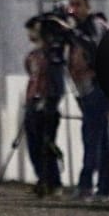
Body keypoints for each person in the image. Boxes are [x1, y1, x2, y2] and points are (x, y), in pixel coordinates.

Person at [51, 0, 109, 200]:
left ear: (88, 6)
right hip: (85, 90)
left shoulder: (94, 25)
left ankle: (86, 184)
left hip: (98, 88)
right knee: (102, 139)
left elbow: (94, 47)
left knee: (91, 136)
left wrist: (72, 32)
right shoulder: (77, 28)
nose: (74, 10)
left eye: (78, 5)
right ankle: (105, 188)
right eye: (72, 5)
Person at [23, 15, 65, 197]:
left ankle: (53, 182)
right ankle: (42, 179)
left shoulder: (52, 55)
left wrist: (50, 101)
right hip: (32, 103)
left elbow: (57, 83)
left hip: (46, 106)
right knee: (34, 145)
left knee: (46, 145)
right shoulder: (33, 55)